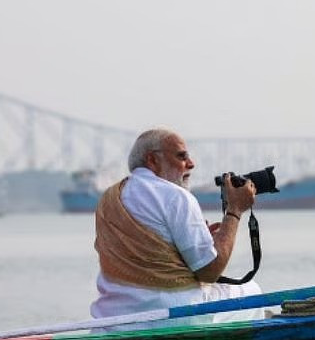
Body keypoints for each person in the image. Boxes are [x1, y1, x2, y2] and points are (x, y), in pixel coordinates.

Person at [90, 128, 264, 327]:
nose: (191, 163)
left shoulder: (109, 197)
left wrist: (184, 244)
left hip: (113, 317)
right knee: (252, 291)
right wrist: (235, 211)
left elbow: (144, 251)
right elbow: (209, 272)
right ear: (152, 160)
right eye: (181, 156)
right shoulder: (177, 196)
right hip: (175, 316)